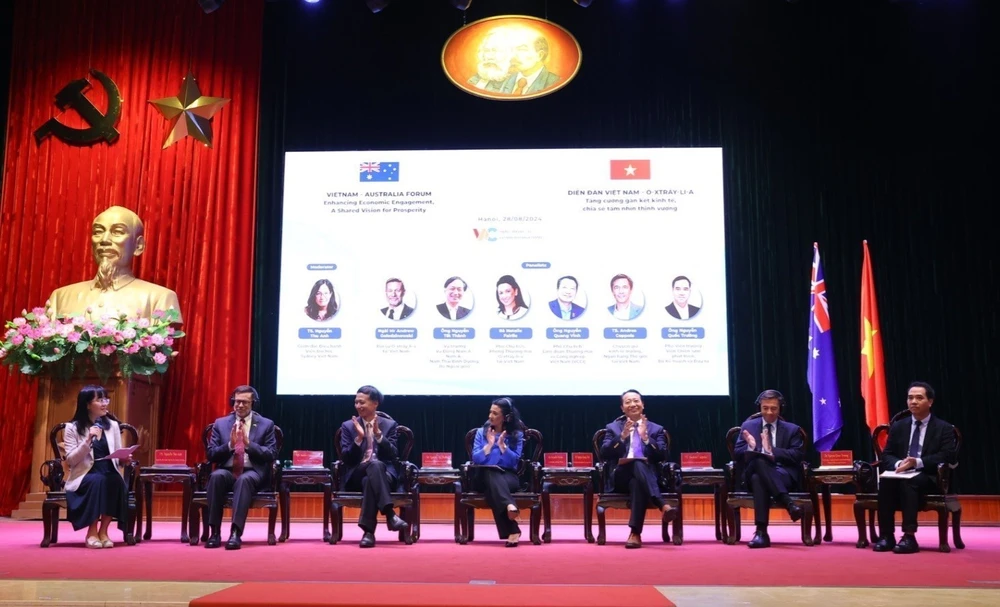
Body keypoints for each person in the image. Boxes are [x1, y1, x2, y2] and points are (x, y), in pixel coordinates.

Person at [46, 205, 182, 322]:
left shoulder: (160, 298)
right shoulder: (60, 297)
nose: (104, 240)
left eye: (117, 232)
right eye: (98, 232)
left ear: (138, 246)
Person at [874, 381, 958, 554]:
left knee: (909, 482)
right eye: (910, 398)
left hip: (929, 476)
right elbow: (887, 454)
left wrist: (917, 462)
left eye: (919, 398)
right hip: (901, 473)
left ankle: (909, 536)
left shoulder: (944, 428)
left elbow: (947, 456)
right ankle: (886, 536)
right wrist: (899, 464)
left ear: (930, 401)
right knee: (886, 482)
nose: (913, 401)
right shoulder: (898, 426)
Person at [203, 385, 278, 550]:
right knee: (216, 477)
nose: (240, 405)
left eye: (245, 402)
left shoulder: (266, 424)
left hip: (253, 472)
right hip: (228, 470)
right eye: (237, 402)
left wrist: (249, 444)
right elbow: (211, 454)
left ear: (253, 404)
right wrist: (230, 445)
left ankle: (235, 533)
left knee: (244, 480)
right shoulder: (221, 424)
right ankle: (214, 532)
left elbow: (271, 454)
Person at [599, 389, 673, 549]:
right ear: (622, 408)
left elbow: (663, 455)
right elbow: (604, 453)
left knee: (637, 478)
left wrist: (646, 437)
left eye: (636, 401)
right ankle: (661, 503)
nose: (633, 404)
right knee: (634, 463)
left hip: (643, 478)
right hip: (620, 477)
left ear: (643, 404)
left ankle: (635, 534)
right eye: (628, 402)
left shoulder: (656, 429)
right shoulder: (613, 428)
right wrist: (622, 437)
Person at [337, 385, 409, 548]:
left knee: (371, 477)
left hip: (384, 475)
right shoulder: (349, 426)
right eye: (356, 402)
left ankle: (368, 533)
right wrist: (359, 438)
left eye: (362, 402)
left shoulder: (389, 425)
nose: (358, 406)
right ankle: (390, 514)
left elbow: (393, 455)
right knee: (372, 468)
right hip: (356, 473)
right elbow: (346, 458)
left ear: (375, 403)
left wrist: (379, 436)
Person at [733, 389, 805, 548]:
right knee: (759, 460)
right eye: (765, 408)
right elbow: (737, 454)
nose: (769, 412)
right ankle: (788, 503)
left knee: (759, 478)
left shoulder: (792, 429)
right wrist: (753, 448)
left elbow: (797, 455)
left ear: (781, 408)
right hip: (753, 470)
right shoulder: (748, 426)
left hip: (782, 474)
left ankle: (761, 533)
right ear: (759, 407)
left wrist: (771, 450)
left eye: (774, 408)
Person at [63, 385, 129, 549]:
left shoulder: (112, 425)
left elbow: (118, 455)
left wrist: (124, 459)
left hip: (108, 469)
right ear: (87, 404)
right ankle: (91, 532)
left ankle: (104, 531)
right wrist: (88, 440)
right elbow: (71, 460)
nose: (105, 403)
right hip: (84, 475)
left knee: (116, 480)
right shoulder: (72, 428)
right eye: (100, 400)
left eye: (106, 399)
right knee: (98, 481)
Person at [471, 397, 525, 547]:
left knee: (493, 488)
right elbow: (476, 459)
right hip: (483, 475)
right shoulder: (481, 433)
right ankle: (509, 508)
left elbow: (514, 462)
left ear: (506, 417)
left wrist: (503, 447)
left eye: (495, 413)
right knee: (490, 473)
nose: (490, 416)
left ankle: (513, 528)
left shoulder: (516, 435)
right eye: (490, 412)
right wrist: (489, 445)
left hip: (508, 477)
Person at [499, 28, 560, 96]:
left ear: (540, 55)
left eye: (521, 49)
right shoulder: (504, 80)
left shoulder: (555, 83)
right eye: (511, 50)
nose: (512, 55)